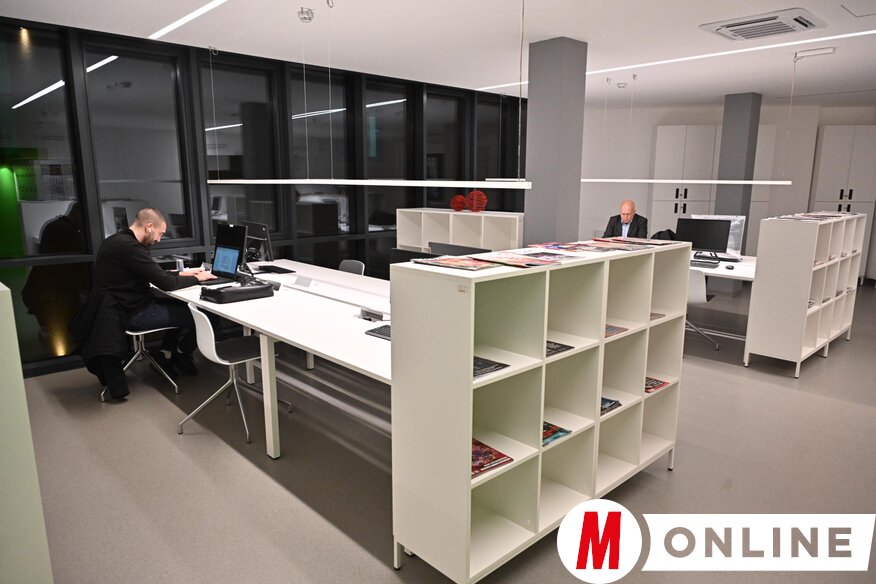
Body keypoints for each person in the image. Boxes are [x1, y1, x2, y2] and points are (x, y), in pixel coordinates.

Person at [89, 208, 216, 398]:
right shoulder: (131, 248)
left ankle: (166, 352)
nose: (159, 239)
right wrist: (198, 278)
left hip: (119, 310)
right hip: (135, 314)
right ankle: (182, 353)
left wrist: (182, 273)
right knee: (207, 315)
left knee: (182, 307)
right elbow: (167, 284)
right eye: (160, 233)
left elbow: (150, 273)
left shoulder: (116, 241)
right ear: (149, 227)